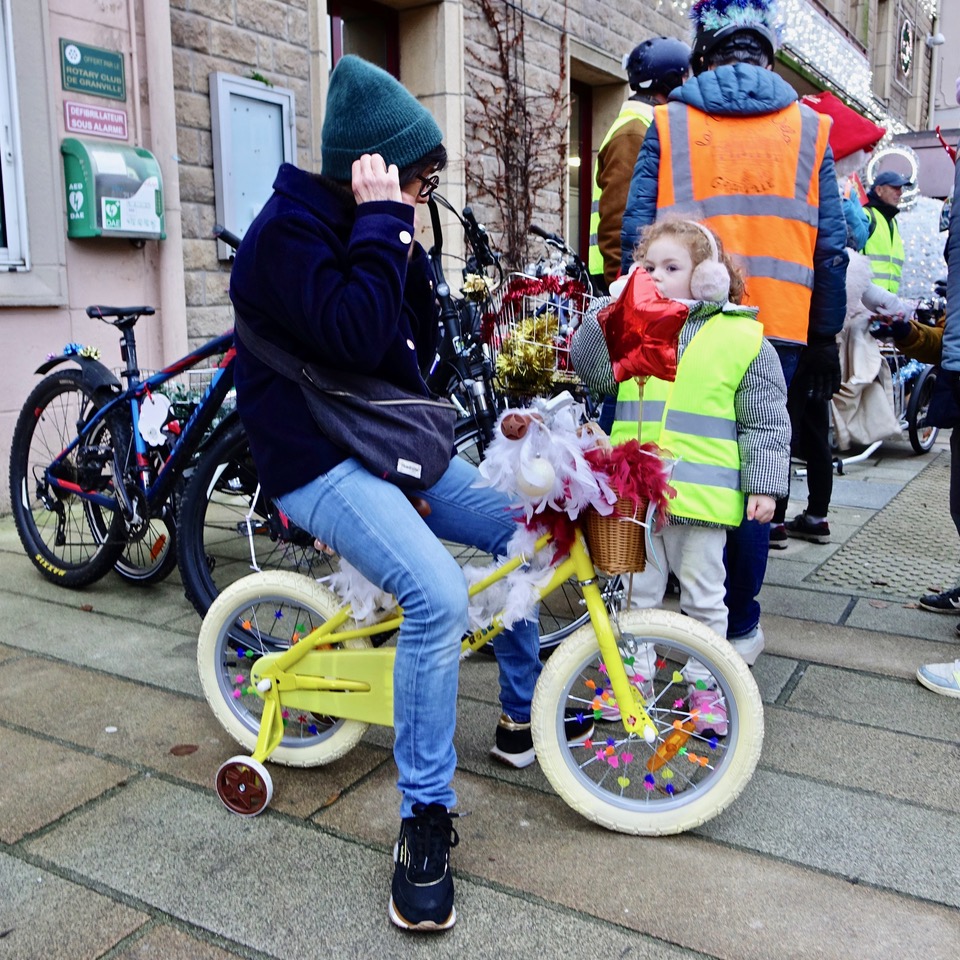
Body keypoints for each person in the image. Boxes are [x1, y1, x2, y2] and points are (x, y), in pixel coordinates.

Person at [228, 55, 589, 933]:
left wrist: (400, 236)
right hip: (314, 458)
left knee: (531, 524)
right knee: (434, 597)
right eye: (420, 179)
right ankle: (424, 818)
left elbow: (414, 355)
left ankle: (519, 714)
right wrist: (386, 221)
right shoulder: (289, 233)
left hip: (385, 446)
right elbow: (353, 335)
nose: (426, 195)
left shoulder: (378, 225)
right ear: (374, 168)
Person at [619, 0, 848, 658]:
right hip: (779, 326)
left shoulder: (670, 121)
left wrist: (632, 314)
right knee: (753, 473)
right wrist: (826, 337)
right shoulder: (811, 129)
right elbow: (831, 249)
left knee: (670, 453)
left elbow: (638, 233)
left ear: (702, 58)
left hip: (678, 322)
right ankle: (737, 627)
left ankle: (653, 607)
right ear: (769, 59)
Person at [607, 219, 789, 721]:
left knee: (705, 599)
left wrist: (764, 485)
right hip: (638, 494)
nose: (656, 277)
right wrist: (611, 312)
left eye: (672, 267)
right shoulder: (634, 327)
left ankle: (707, 690)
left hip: (700, 499)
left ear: (709, 277)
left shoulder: (743, 339)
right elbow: (594, 370)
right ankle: (631, 681)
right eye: (649, 267)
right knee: (635, 594)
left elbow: (765, 420)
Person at [770, 99, 886, 547]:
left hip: (793, 334)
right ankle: (817, 514)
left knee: (780, 428)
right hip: (824, 345)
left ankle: (776, 518)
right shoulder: (853, 261)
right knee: (817, 429)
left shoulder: (805, 219)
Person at [587, 36, 690, 293]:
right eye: (685, 78)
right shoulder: (636, 131)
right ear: (670, 82)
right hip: (619, 281)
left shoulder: (643, 125)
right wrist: (624, 289)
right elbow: (618, 218)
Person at [863, 170, 912, 293]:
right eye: (895, 188)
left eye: (900, 188)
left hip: (886, 298)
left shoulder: (892, 221)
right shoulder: (866, 215)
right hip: (866, 298)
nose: (900, 193)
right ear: (879, 190)